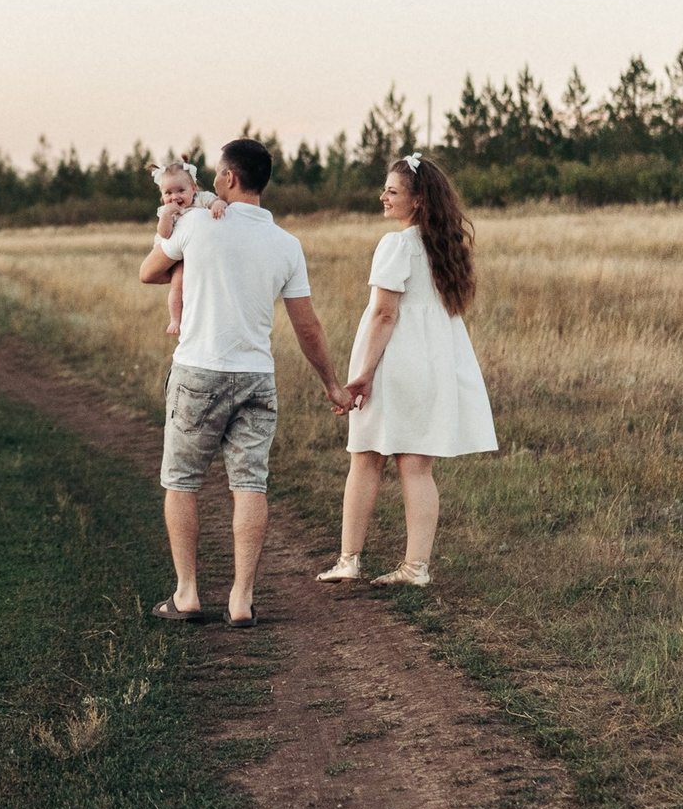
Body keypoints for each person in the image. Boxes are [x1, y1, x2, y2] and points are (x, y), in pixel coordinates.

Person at [141, 138, 347, 628]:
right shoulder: (287, 245)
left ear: (230, 179)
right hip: (257, 378)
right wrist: (332, 385)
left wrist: (168, 233)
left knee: (182, 482)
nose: (211, 182)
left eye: (215, 174)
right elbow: (308, 326)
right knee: (250, 485)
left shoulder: (194, 225)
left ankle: (187, 594)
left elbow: (150, 271)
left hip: (198, 372)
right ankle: (241, 600)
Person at [318, 152, 499, 589]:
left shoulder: (396, 244)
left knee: (365, 459)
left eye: (392, 191)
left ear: (417, 200)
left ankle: (349, 560)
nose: (383, 197)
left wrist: (363, 373)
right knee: (417, 467)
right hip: (433, 363)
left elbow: (384, 314)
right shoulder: (443, 246)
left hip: (395, 362)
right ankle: (416, 568)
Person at [152, 158, 228, 335]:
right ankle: (175, 319)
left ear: (193, 187)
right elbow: (165, 234)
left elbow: (217, 202)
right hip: (177, 255)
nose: (174, 197)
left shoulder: (201, 198)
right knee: (177, 284)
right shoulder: (166, 211)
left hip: (197, 251)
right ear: (162, 195)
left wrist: (218, 205)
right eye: (168, 193)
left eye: (180, 190)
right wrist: (166, 217)